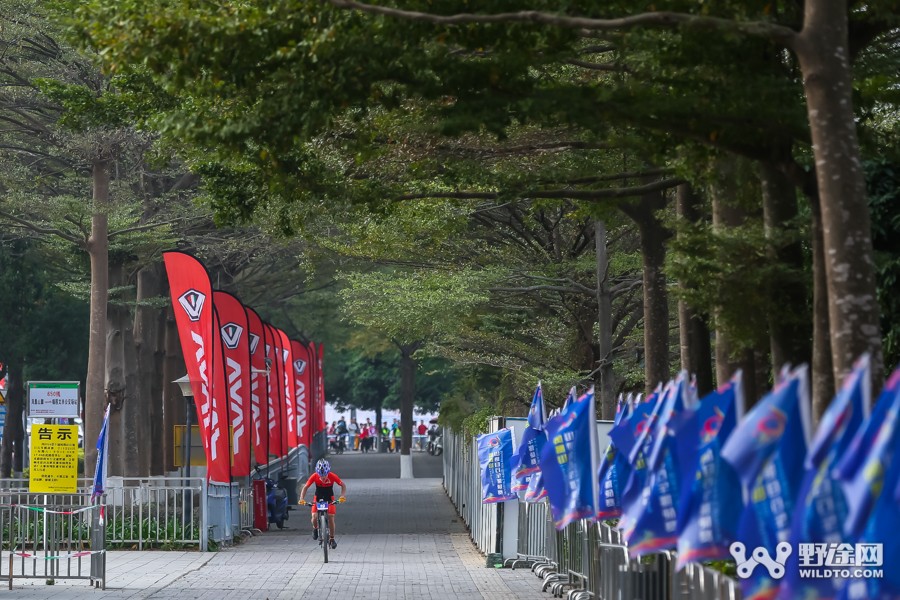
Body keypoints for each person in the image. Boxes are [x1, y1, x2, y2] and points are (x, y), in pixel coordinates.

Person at [299, 459, 346, 549]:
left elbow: (343, 485)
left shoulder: (332, 476)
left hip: (329, 498)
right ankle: (315, 528)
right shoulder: (314, 476)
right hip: (318, 498)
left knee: (331, 517)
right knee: (314, 517)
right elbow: (306, 487)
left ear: (328, 472)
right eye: (321, 475)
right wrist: (301, 498)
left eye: (325, 475)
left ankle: (332, 538)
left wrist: (342, 496)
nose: (323, 478)